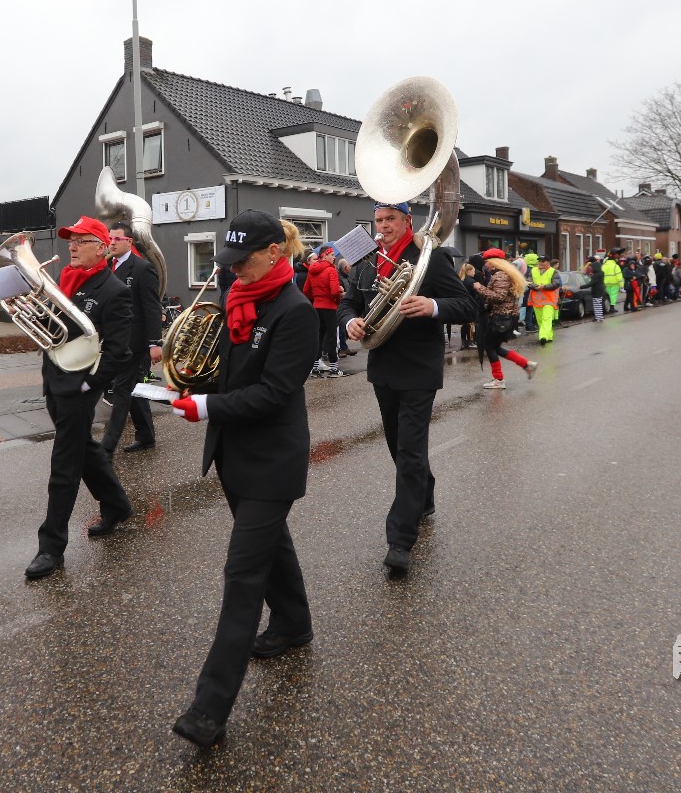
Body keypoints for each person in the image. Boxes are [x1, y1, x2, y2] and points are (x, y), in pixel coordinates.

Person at [169, 211, 319, 747]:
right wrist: (182, 374)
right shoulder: (238, 299)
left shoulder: (296, 312)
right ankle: (294, 623)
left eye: (243, 262)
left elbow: (275, 393)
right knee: (271, 546)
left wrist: (206, 406)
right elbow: (225, 373)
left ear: (275, 253)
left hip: (272, 461)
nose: (233, 272)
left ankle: (209, 710)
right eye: (229, 263)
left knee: (242, 574)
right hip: (233, 454)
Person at [338, 203, 475, 576]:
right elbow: (348, 302)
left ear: (406, 221)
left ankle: (400, 541)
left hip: (419, 369)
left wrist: (432, 305)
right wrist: (350, 322)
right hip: (383, 367)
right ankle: (424, 494)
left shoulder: (430, 257)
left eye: (391, 220)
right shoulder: (368, 259)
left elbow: (468, 306)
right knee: (398, 446)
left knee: (410, 451)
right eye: (379, 221)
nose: (384, 227)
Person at [25, 216, 135, 579]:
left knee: (64, 464)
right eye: (70, 240)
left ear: (101, 248)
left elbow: (119, 351)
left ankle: (51, 546)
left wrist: (90, 385)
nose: (71, 246)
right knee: (82, 448)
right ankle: (117, 505)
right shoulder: (64, 281)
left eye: (80, 240)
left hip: (79, 388)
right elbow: (51, 330)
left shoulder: (114, 291)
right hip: (55, 380)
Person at [99, 220, 163, 454]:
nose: (112, 243)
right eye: (110, 238)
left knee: (121, 390)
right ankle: (146, 436)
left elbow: (152, 307)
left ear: (129, 242)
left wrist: (154, 343)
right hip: (115, 341)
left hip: (135, 344)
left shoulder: (142, 268)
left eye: (118, 239)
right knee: (135, 389)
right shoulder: (108, 266)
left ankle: (107, 447)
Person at [472, 248, 536, 389]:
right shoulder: (505, 273)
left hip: (501, 317)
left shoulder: (501, 276)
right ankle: (526, 365)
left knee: (489, 346)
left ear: (494, 262)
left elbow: (499, 297)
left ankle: (499, 379)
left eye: (487, 262)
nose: (486, 265)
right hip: (506, 316)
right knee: (495, 347)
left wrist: (479, 288)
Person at [304, 244, 344, 377]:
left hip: (317, 306)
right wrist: (337, 299)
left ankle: (315, 368)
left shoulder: (311, 270)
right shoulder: (331, 270)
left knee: (318, 337)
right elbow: (334, 291)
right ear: (325, 255)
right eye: (332, 255)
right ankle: (333, 368)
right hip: (329, 307)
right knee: (332, 337)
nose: (334, 257)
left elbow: (306, 290)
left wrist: (316, 298)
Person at [528, 255, 562, 344]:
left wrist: (544, 287)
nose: (540, 263)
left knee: (546, 318)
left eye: (543, 261)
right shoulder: (533, 270)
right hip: (536, 300)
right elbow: (529, 282)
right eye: (539, 261)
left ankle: (543, 336)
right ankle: (548, 336)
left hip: (549, 300)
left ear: (548, 262)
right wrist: (536, 286)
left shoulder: (553, 271)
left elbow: (556, 283)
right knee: (540, 320)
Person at [601, 250, 624, 316]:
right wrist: (621, 285)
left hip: (606, 283)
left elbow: (601, 275)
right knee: (613, 295)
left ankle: (607, 306)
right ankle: (612, 307)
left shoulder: (603, 266)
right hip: (614, 283)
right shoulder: (615, 266)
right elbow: (619, 276)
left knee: (607, 295)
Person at [586, 254, 606, 322]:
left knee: (597, 304)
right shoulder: (601, 273)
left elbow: (591, 283)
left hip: (596, 291)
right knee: (598, 304)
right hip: (600, 290)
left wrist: (581, 286)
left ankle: (598, 317)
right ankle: (599, 316)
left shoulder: (596, 275)